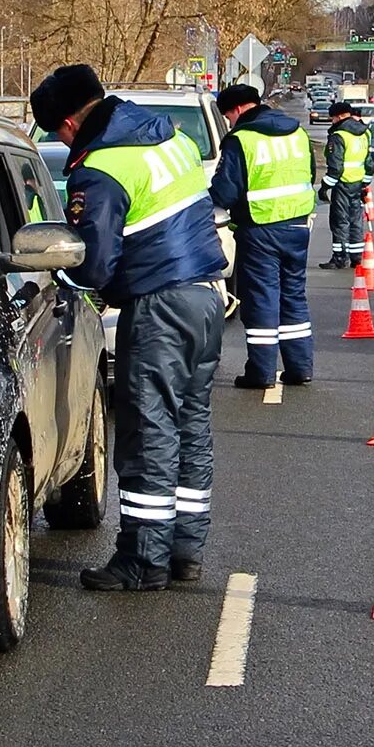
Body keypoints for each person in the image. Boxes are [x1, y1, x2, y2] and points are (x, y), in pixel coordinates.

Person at [30, 64, 228, 591]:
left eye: (58, 131)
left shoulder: (100, 169)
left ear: (70, 122)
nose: (60, 139)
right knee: (189, 425)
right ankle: (185, 548)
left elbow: (93, 265)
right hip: (206, 298)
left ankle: (142, 557)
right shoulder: (168, 137)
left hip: (158, 305)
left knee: (147, 432)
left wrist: (57, 266)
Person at [209, 83, 316, 389]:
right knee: (293, 297)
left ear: (238, 109)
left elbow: (225, 192)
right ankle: (300, 368)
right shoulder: (297, 133)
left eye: (228, 115)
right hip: (297, 227)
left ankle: (262, 372)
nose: (229, 122)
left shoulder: (241, 140)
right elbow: (309, 176)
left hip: (260, 230)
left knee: (261, 301)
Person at [316, 101, 369, 269]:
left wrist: (324, 187)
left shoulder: (339, 135)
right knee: (356, 221)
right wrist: (365, 184)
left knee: (339, 221)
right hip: (357, 183)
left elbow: (336, 167)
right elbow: (369, 162)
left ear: (338, 116)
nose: (332, 121)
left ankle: (339, 258)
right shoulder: (364, 133)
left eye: (332, 118)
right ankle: (356, 257)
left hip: (342, 184)